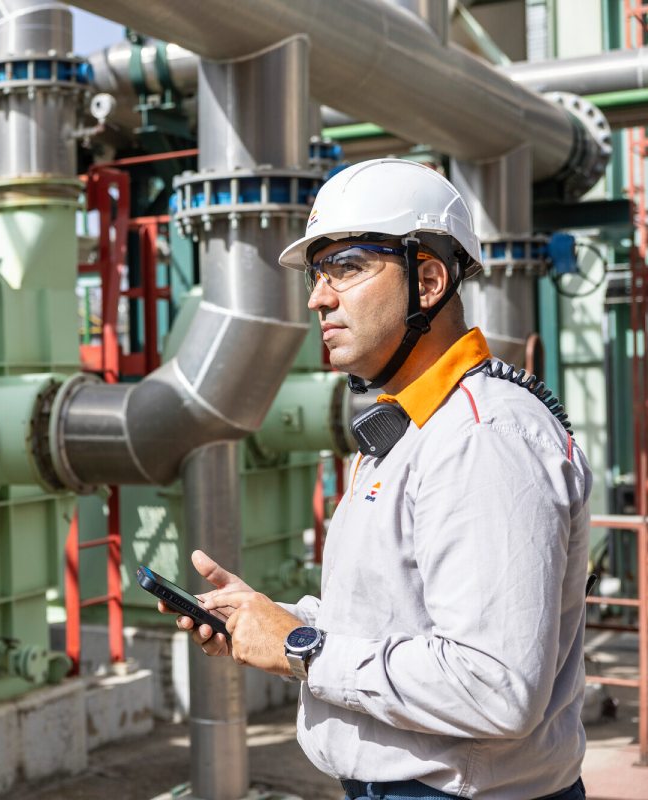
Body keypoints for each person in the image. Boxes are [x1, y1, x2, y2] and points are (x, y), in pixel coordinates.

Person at [162, 158, 592, 800]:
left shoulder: (482, 437)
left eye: (348, 267)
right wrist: (272, 619)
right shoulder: (413, 426)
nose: (317, 297)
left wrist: (302, 648)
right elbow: (401, 616)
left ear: (428, 281)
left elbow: (495, 686)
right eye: (317, 273)